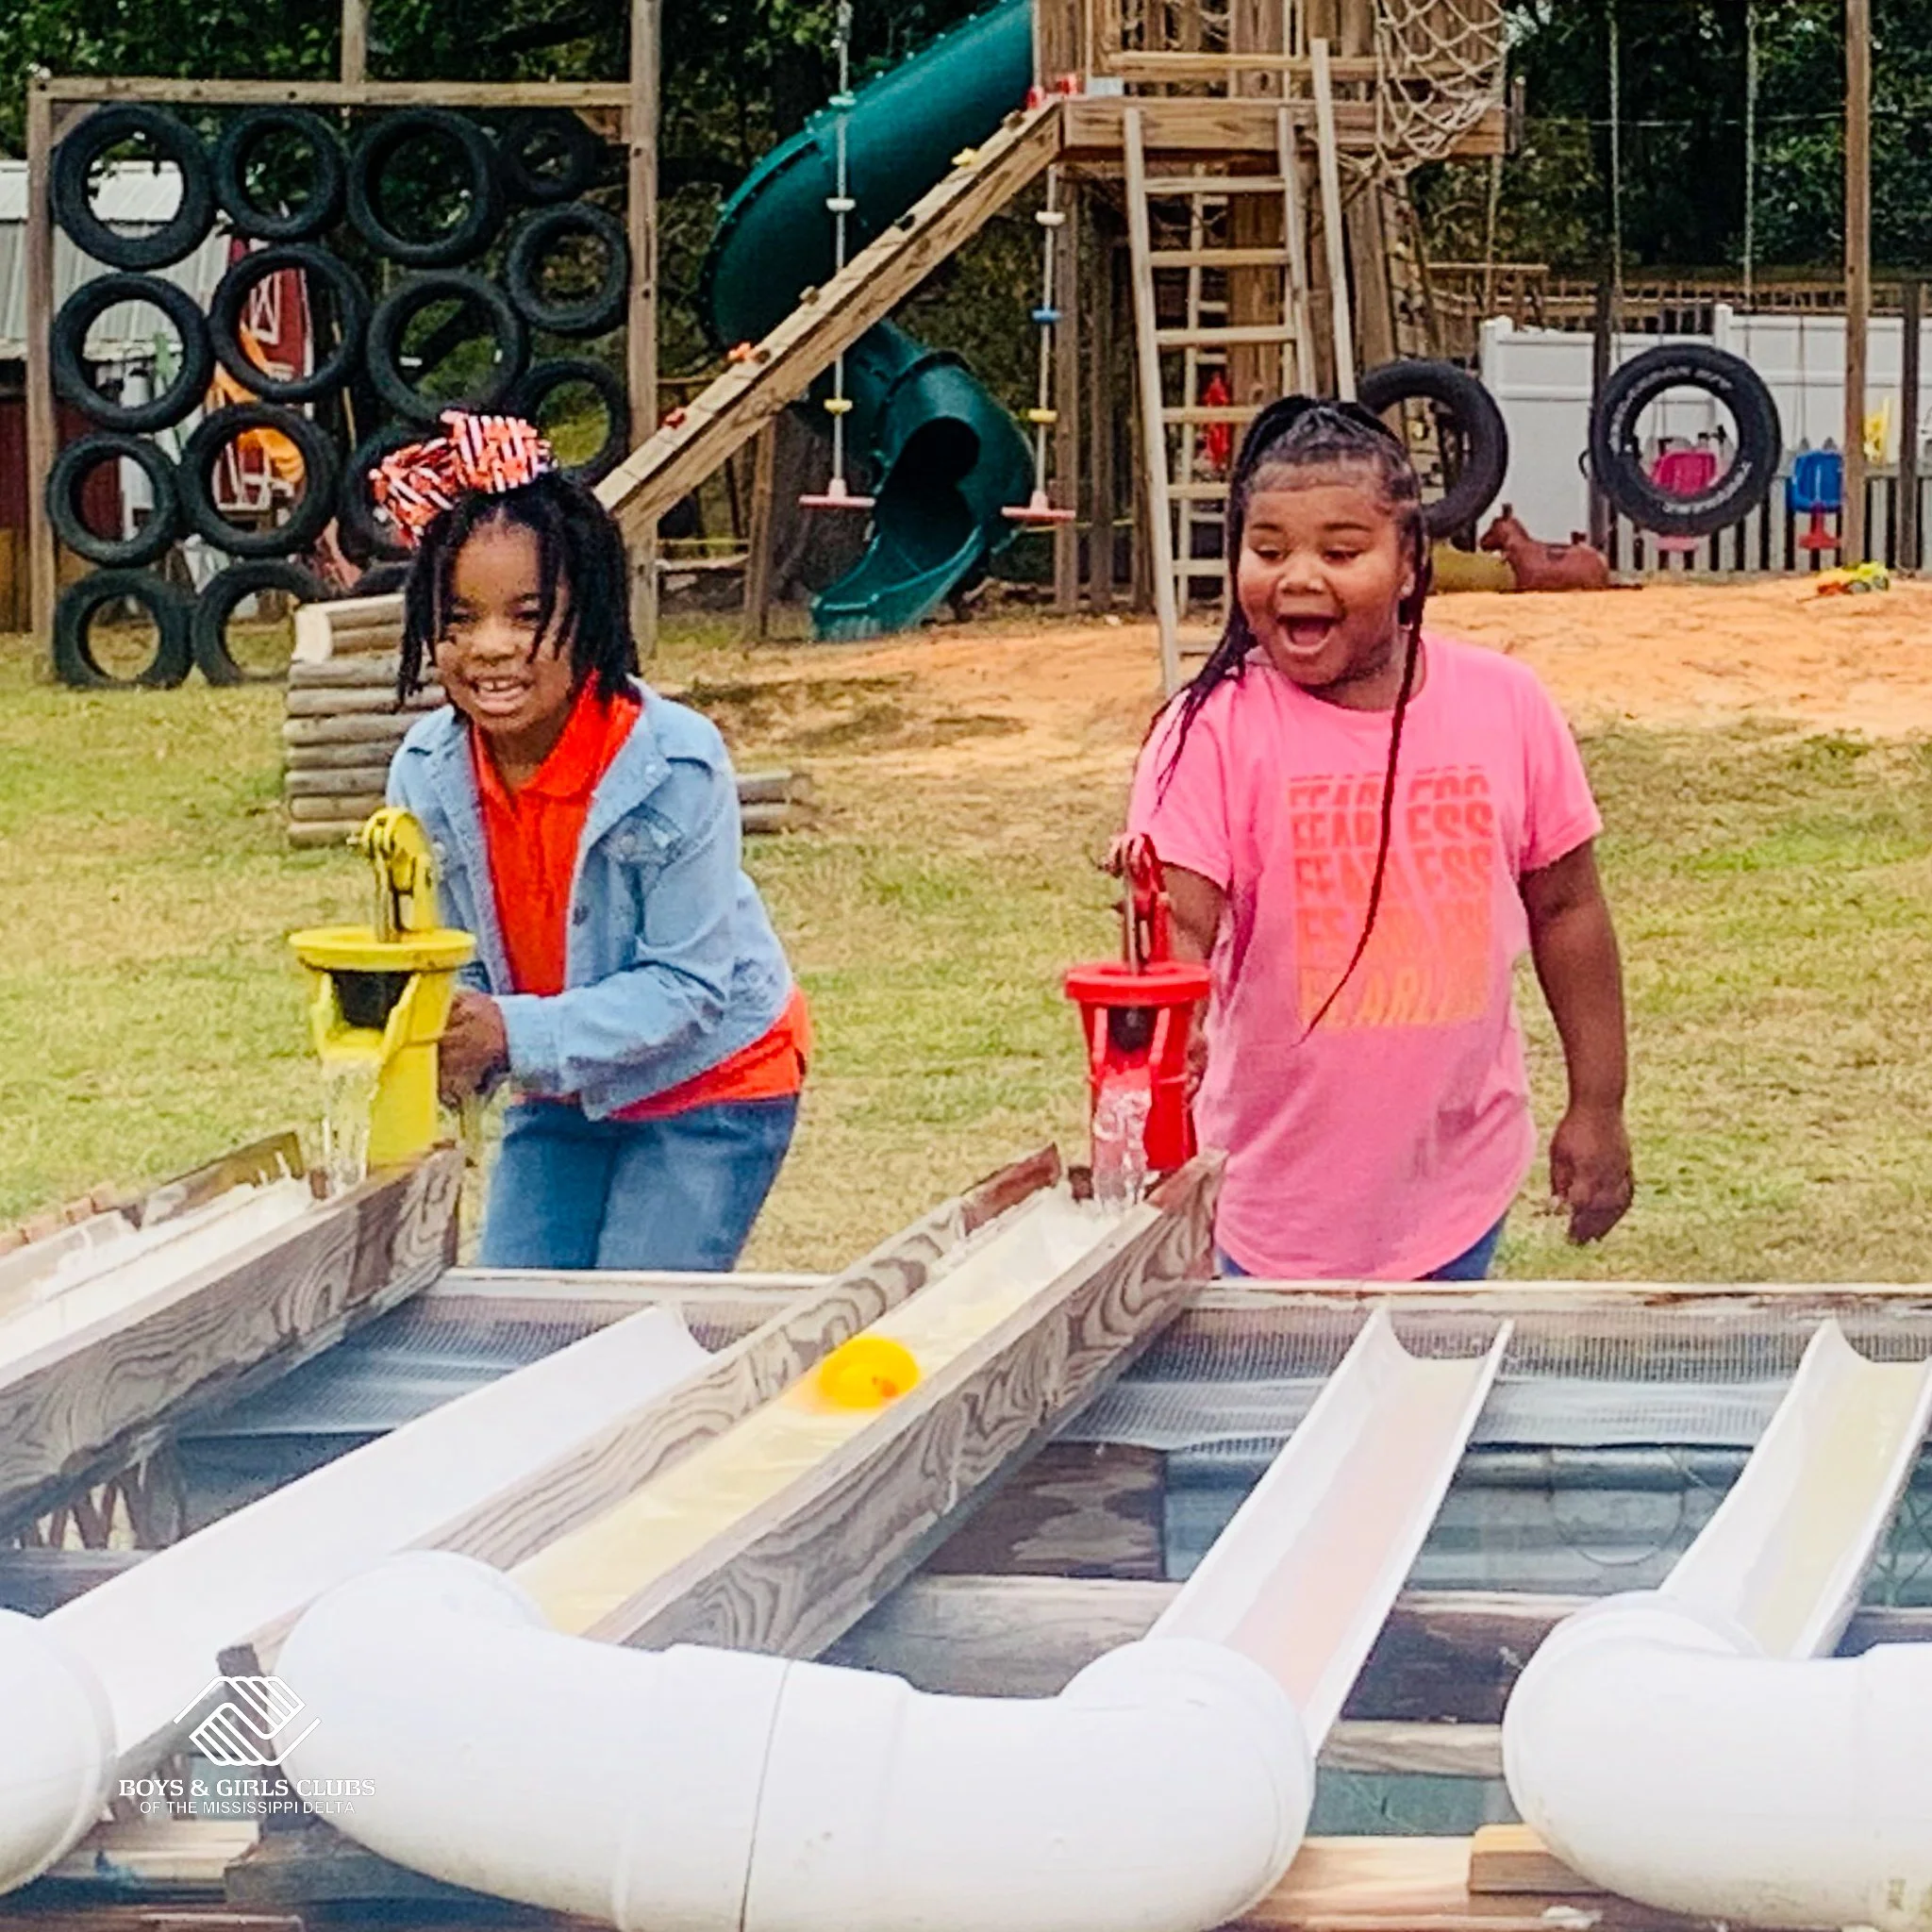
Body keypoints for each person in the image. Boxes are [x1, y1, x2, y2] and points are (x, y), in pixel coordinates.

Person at [1125, 397, 1633, 1281]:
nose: (1297, 577)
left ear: (1409, 565)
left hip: (1457, 1192)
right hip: (1258, 1203)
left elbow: (1567, 908)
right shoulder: (1208, 728)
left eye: (1341, 551)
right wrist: (1176, 1017)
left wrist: (1600, 1103)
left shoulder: (1505, 705)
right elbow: (1179, 927)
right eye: (1268, 548)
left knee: (1423, 1414)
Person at [377, 411, 807, 1271]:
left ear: (593, 611)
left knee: (625, 1342)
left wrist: (506, 1033)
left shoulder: (673, 763)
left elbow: (688, 988)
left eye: (528, 615)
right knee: (512, 1329)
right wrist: (437, 1037)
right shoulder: (425, 773)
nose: (490, 648)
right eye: (459, 619)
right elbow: (455, 958)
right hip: (560, 1088)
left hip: (710, 1084)